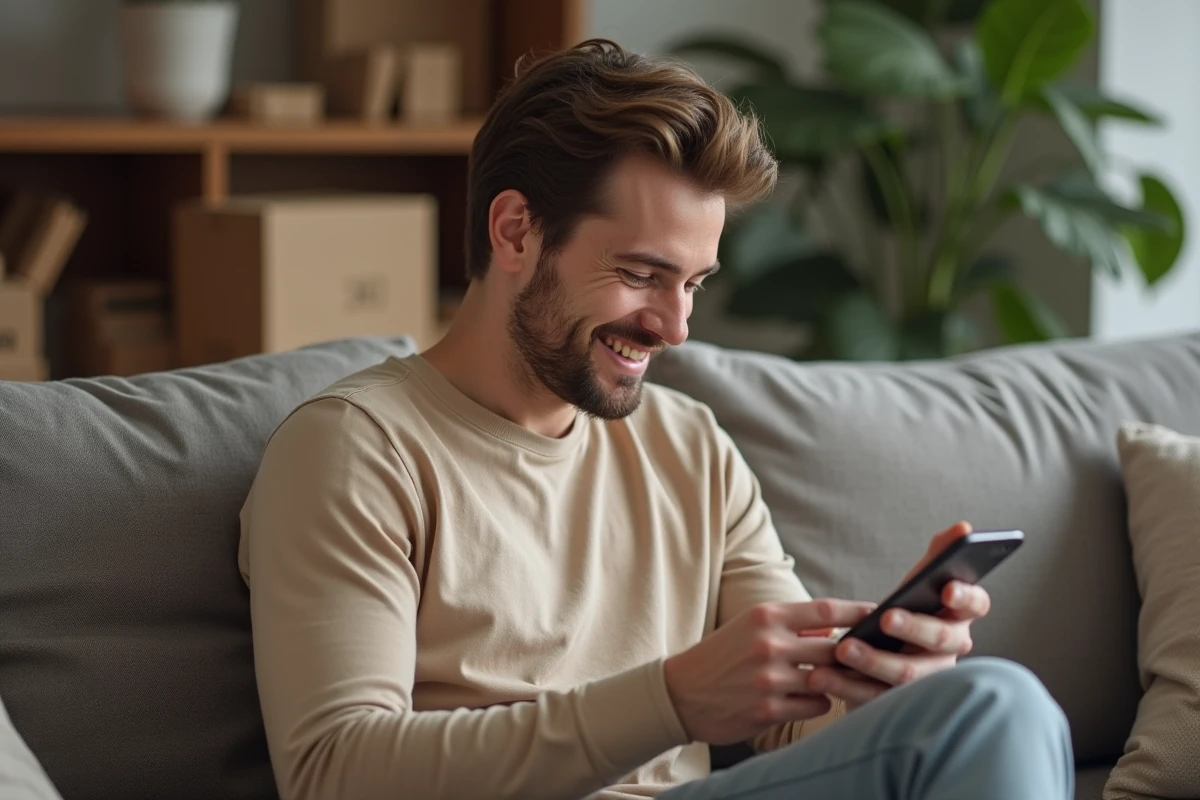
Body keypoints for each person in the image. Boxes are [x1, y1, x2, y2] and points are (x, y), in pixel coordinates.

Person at [238, 39, 1073, 800]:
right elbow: (334, 773)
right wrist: (668, 699)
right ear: (515, 231)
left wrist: (876, 675)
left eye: (694, 284)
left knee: (983, 707)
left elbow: (794, 722)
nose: (674, 326)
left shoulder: (689, 448)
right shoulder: (354, 448)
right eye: (642, 274)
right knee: (996, 710)